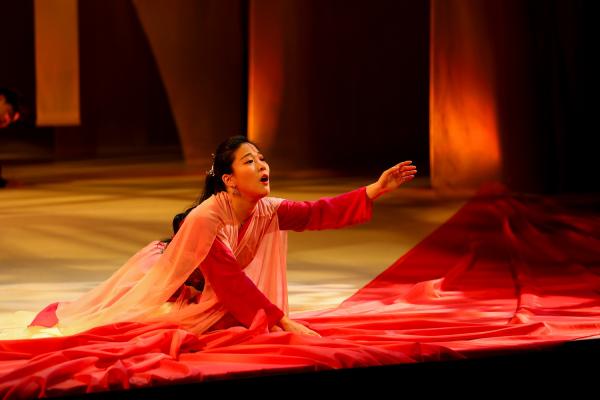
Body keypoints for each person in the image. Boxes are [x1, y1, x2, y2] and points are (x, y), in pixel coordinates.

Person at [28, 135, 417, 338]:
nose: (262, 165)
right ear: (229, 179)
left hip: (206, 287)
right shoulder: (206, 218)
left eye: (262, 159)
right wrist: (283, 322)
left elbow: (316, 212)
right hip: (171, 282)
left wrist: (374, 190)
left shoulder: (266, 208)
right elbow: (231, 280)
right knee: (124, 329)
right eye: (250, 161)